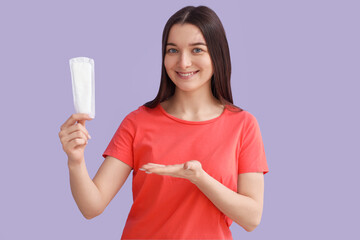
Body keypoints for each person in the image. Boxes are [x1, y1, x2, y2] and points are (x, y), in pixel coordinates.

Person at [58, 5, 269, 239]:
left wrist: (198, 177)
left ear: (217, 54)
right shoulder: (138, 122)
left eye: (197, 50)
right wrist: (75, 161)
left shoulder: (243, 125)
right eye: (173, 50)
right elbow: (92, 207)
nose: (183, 62)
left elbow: (252, 218)